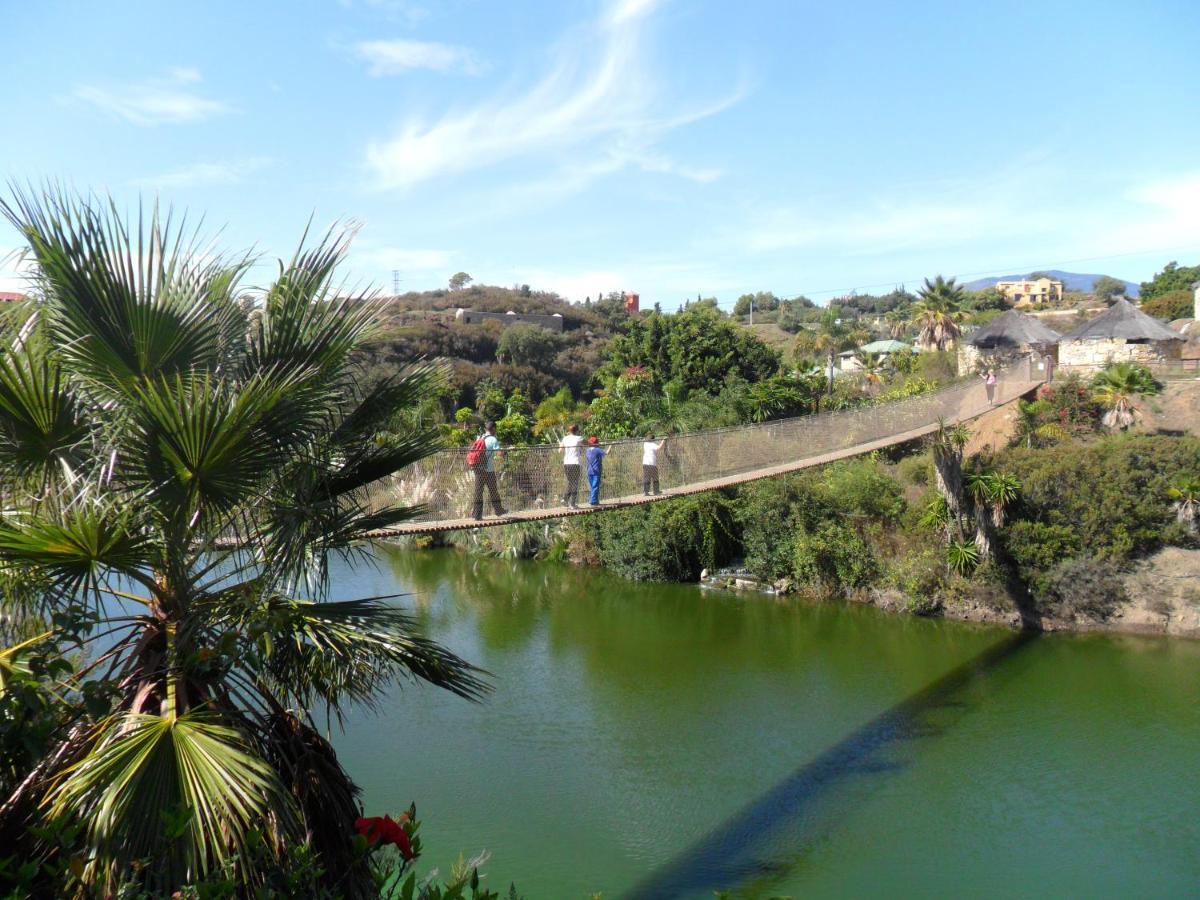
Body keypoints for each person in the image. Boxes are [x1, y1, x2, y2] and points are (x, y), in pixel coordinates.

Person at [471, 421, 506, 520]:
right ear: (493, 428)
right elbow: (499, 454)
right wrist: (505, 452)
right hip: (488, 470)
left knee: (478, 492)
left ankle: (476, 515)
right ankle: (498, 510)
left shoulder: (480, 437)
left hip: (477, 469)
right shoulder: (493, 439)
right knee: (493, 490)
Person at [559, 423, 584, 508]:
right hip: (575, 463)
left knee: (570, 482)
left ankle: (565, 499)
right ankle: (572, 504)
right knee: (575, 483)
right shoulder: (579, 438)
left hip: (566, 463)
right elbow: (587, 444)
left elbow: (560, 450)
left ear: (569, 430)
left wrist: (562, 444)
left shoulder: (565, 438)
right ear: (577, 430)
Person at [585, 435, 607, 506]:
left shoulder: (587, 450)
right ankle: (593, 501)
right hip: (596, 471)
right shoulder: (598, 450)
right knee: (595, 486)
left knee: (592, 486)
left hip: (589, 471)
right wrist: (610, 446)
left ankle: (595, 500)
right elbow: (606, 453)